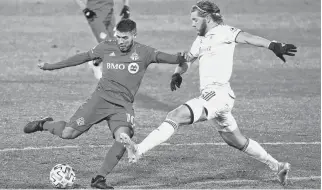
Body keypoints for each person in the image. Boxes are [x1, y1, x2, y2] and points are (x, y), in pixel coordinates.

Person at [119, 0, 297, 186]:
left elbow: (248, 38)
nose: (192, 23)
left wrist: (274, 45)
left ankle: (138, 149)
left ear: (208, 18)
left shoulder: (225, 32)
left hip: (217, 93)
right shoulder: (201, 39)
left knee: (176, 115)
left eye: (195, 19)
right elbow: (188, 58)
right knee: (236, 140)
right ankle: (277, 166)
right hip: (217, 98)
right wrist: (177, 74)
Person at [23, 19, 186, 189]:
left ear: (134, 35)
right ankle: (44, 123)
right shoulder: (107, 47)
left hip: (122, 107)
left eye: (125, 38)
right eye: (118, 37)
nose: (121, 42)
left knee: (124, 139)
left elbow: (171, 58)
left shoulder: (145, 52)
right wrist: (50, 66)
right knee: (67, 134)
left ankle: (99, 178)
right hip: (99, 100)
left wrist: (184, 58)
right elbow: (83, 57)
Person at [74, 0, 130, 80]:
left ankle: (96, 62)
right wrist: (85, 9)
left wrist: (126, 6)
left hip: (109, 14)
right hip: (94, 15)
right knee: (109, 46)